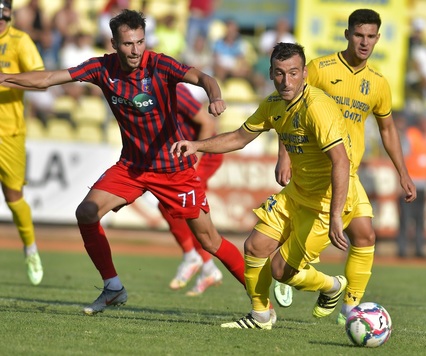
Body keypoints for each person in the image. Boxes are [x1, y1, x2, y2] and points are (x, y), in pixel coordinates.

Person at [0, 9, 248, 316]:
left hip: (173, 170)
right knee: (87, 213)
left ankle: (258, 296)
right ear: (115, 43)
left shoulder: (158, 64)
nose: (135, 50)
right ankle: (113, 287)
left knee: (210, 241)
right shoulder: (102, 68)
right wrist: (5, 78)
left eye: (140, 42)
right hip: (132, 168)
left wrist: (215, 95)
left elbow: (202, 77)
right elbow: (50, 78)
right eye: (128, 44)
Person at [171, 42, 358, 330]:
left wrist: (335, 216)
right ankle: (260, 316)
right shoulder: (273, 104)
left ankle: (332, 286)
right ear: (271, 72)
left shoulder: (318, 108)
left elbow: (341, 162)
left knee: (281, 271)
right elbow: (239, 137)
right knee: (255, 246)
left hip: (325, 204)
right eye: (280, 73)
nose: (287, 81)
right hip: (297, 194)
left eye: (294, 73)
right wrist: (197, 145)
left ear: (305, 73)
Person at [273, 9, 416, 325]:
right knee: (292, 262)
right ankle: (303, 277)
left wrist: (403, 172)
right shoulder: (320, 69)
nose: (364, 42)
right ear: (347, 34)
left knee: (365, 236)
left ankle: (350, 309)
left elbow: (388, 129)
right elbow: (287, 106)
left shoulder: (378, 83)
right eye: (358, 35)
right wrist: (283, 155)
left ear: (378, 38)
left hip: (346, 172)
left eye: (370, 36)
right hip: (315, 169)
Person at [164, 83, 224, 296]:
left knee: (188, 207)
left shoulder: (175, 91)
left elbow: (207, 124)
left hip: (203, 154)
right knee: (167, 206)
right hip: (181, 156)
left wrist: (195, 160)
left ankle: (196, 259)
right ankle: (206, 267)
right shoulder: (140, 93)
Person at [0, 0, 44, 285]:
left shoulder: (19, 41)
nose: (0, 23)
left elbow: (40, 77)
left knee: (13, 198)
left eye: (3, 18)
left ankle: (30, 248)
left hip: (9, 133)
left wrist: (6, 79)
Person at [397, 114, 426, 258]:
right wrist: (401, 180)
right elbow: (402, 157)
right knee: (405, 218)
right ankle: (402, 249)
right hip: (410, 182)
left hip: (424, 183)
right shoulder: (411, 135)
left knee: (420, 219)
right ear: (420, 122)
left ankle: (419, 248)